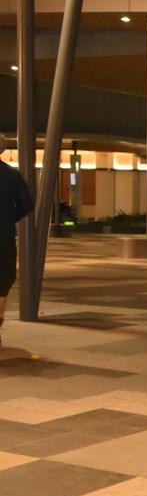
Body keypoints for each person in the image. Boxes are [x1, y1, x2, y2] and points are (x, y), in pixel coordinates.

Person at [0, 134, 34, 347]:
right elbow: (27, 204)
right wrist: (9, 218)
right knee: (2, 282)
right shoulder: (12, 175)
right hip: (3, 236)